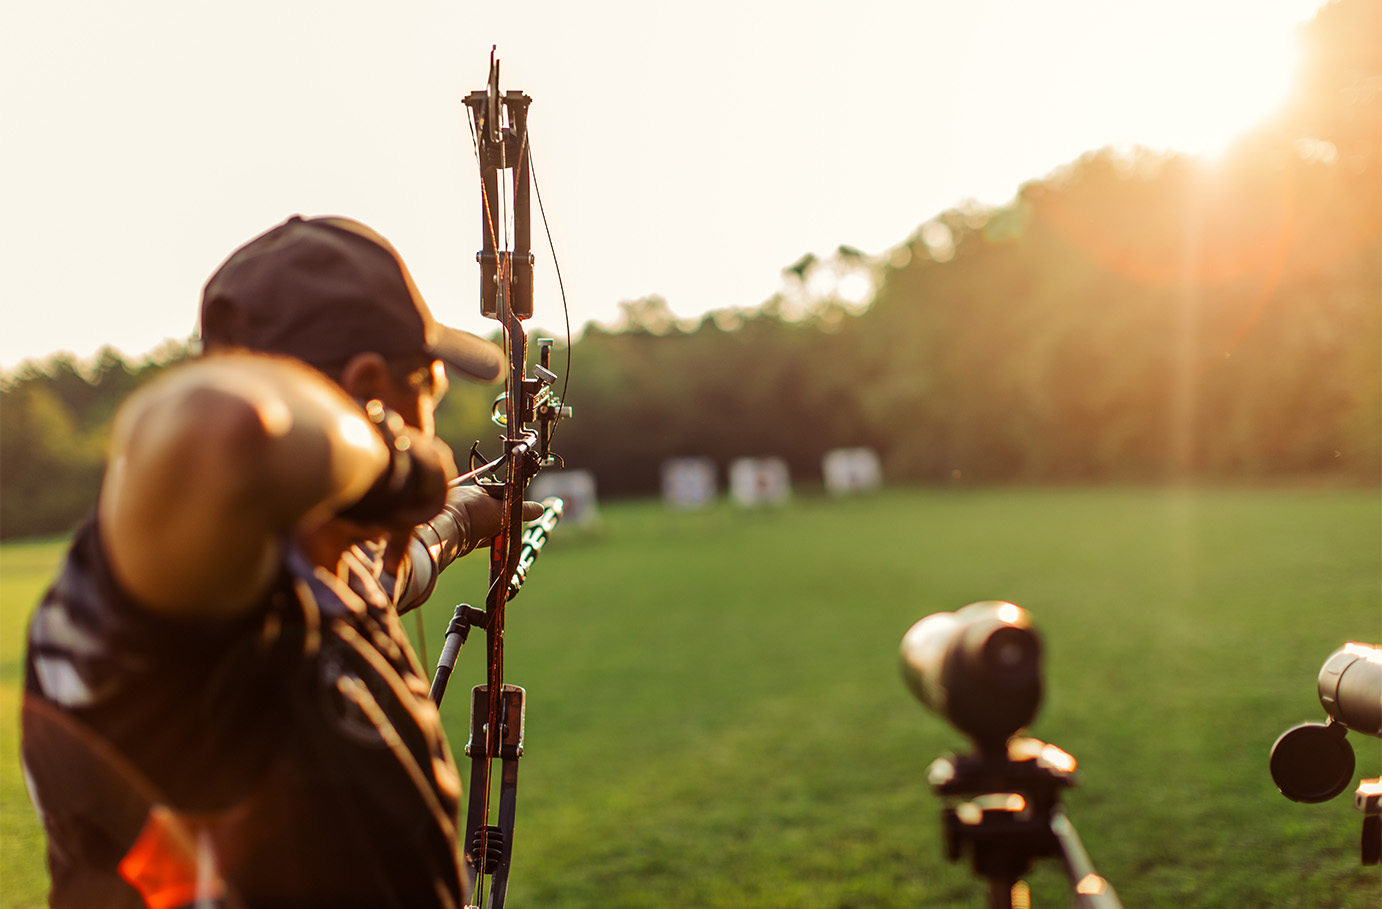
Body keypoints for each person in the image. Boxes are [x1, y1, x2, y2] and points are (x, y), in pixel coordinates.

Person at [21, 215, 539, 908]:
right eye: (429, 393)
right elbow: (219, 429)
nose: (432, 429)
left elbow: (403, 568)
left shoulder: (335, 575)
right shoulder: (149, 614)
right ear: (370, 387)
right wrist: (396, 465)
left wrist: (467, 518)